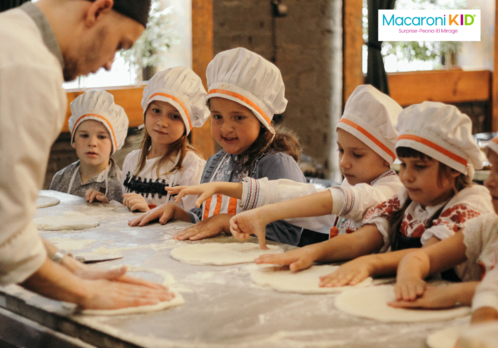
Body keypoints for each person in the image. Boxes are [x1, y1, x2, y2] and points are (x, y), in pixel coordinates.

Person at [0, 0, 173, 310]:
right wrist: (87, 293)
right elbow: (4, 241)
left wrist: (69, 265)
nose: (109, 63)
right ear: (98, 9)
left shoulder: (8, 32)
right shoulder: (30, 69)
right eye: (119, 45)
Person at [232, 102, 493, 285]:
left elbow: (428, 257)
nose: (407, 176)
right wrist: (314, 253)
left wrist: (369, 264)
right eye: (404, 166)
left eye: (420, 167)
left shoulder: (470, 202)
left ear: (454, 171)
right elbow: (367, 237)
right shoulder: (408, 200)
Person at [166, 85, 404, 249]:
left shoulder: (386, 192)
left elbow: (321, 199)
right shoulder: (354, 180)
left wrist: (259, 215)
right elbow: (296, 197)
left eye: (357, 154)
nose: (344, 163)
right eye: (340, 151)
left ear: (388, 157)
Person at [129, 47, 307, 246]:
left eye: (238, 117)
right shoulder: (215, 162)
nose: (226, 128)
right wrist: (179, 213)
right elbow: (203, 216)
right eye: (217, 117)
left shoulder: (276, 164)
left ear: (262, 120)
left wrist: (226, 223)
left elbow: (289, 234)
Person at [388, 137, 498, 327]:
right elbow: (421, 257)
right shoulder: (488, 227)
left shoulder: (472, 203)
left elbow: (492, 291)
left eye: (420, 166)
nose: (489, 182)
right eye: (492, 170)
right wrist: (410, 278)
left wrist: (452, 293)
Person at [87, 67, 208, 212]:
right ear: (145, 111)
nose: (162, 122)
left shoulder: (191, 166)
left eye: (174, 116)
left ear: (187, 125)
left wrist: (149, 212)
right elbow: (128, 208)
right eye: (156, 111)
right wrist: (106, 204)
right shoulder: (133, 160)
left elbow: (196, 221)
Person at [50, 90, 127, 203]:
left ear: (114, 144)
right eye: (84, 135)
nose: (92, 143)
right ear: (73, 141)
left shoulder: (121, 185)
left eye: (101, 137)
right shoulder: (60, 179)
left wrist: (109, 209)